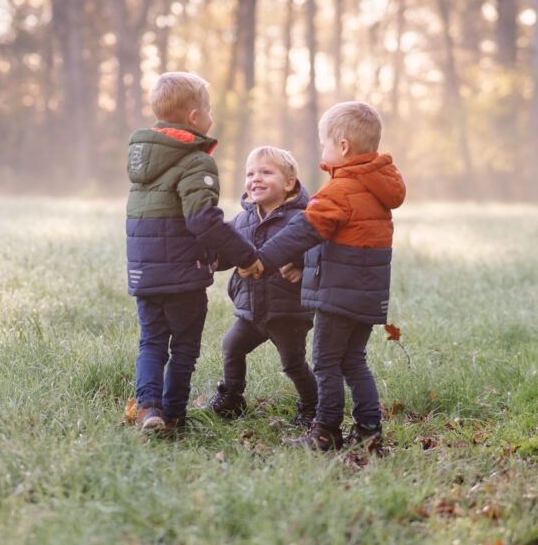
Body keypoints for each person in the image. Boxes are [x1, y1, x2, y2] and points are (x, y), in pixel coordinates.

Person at [239, 101, 406, 452]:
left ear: (342, 147)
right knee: (354, 361)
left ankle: (325, 431)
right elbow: (338, 238)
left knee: (327, 362)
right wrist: (300, 266)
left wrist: (262, 260)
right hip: (366, 294)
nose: (322, 151)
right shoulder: (376, 189)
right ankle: (369, 431)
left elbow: (303, 230)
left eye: (324, 143)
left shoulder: (339, 190)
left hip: (337, 297)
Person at [125, 72, 257, 434]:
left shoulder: (143, 161)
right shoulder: (195, 160)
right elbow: (204, 220)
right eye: (209, 111)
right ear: (194, 118)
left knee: (151, 343)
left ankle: (148, 408)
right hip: (183, 275)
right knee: (183, 347)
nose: (211, 118)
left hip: (145, 275)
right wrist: (245, 255)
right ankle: (174, 416)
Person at [208, 146, 317, 426]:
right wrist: (210, 258)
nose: (256, 178)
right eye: (250, 173)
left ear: (289, 183)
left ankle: (311, 406)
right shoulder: (242, 220)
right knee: (232, 346)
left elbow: (319, 253)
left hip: (287, 311)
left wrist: (303, 270)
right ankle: (232, 396)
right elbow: (226, 254)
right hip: (250, 310)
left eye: (266, 172)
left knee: (292, 363)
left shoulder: (301, 220)